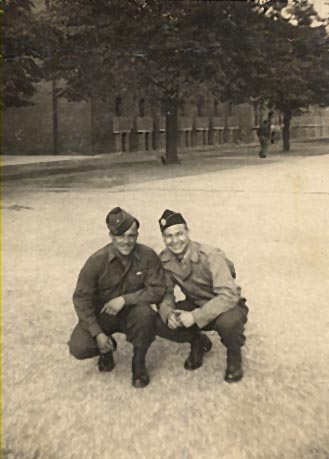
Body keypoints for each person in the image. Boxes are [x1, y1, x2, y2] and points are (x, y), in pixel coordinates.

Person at [68, 207, 166, 388]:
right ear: (111, 236)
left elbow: (158, 289)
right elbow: (81, 299)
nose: (126, 242)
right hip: (104, 315)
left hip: (132, 313)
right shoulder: (96, 261)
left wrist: (124, 300)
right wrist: (97, 333)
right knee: (79, 347)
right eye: (120, 236)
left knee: (146, 316)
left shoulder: (147, 255)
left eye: (132, 236)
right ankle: (106, 349)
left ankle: (138, 364)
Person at [156, 209, 248, 383]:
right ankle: (198, 342)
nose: (175, 241)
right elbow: (166, 293)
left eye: (179, 234)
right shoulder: (165, 260)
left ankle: (234, 356)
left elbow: (229, 295)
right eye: (168, 236)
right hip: (196, 303)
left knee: (230, 323)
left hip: (225, 306)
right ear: (163, 238)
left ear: (187, 232)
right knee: (159, 322)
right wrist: (168, 314)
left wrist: (195, 316)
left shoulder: (210, 256)